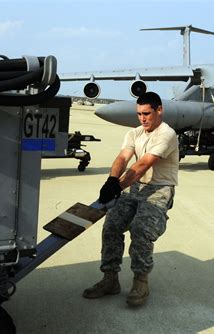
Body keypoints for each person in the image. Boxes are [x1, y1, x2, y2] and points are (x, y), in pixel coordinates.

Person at [83, 92, 179, 306]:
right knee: (111, 227)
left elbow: (143, 164)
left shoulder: (167, 134)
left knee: (141, 230)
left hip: (159, 189)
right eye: (139, 114)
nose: (142, 118)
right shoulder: (135, 133)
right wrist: (111, 180)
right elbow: (123, 158)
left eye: (147, 113)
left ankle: (140, 282)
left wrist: (117, 187)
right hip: (135, 186)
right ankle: (110, 280)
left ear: (159, 110)